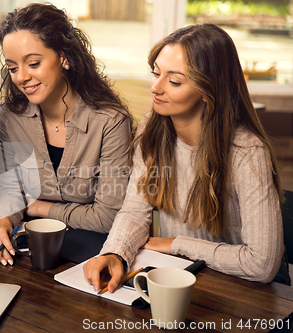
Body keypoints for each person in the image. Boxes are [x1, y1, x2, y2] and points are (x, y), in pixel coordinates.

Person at [84, 23, 286, 291]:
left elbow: (261, 264)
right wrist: (114, 253)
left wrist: (176, 244)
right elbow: (135, 208)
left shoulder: (247, 152)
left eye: (174, 81)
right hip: (182, 278)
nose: (155, 87)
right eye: (155, 73)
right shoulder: (150, 129)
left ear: (208, 89)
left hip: (246, 291)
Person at [0, 3, 132, 266]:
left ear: (64, 57)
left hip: (93, 252)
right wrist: (2, 223)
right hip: (30, 246)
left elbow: (108, 217)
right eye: (12, 67)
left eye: (33, 63)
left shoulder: (110, 121)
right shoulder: (10, 115)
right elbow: (11, 189)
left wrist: (38, 207)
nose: (22, 77)